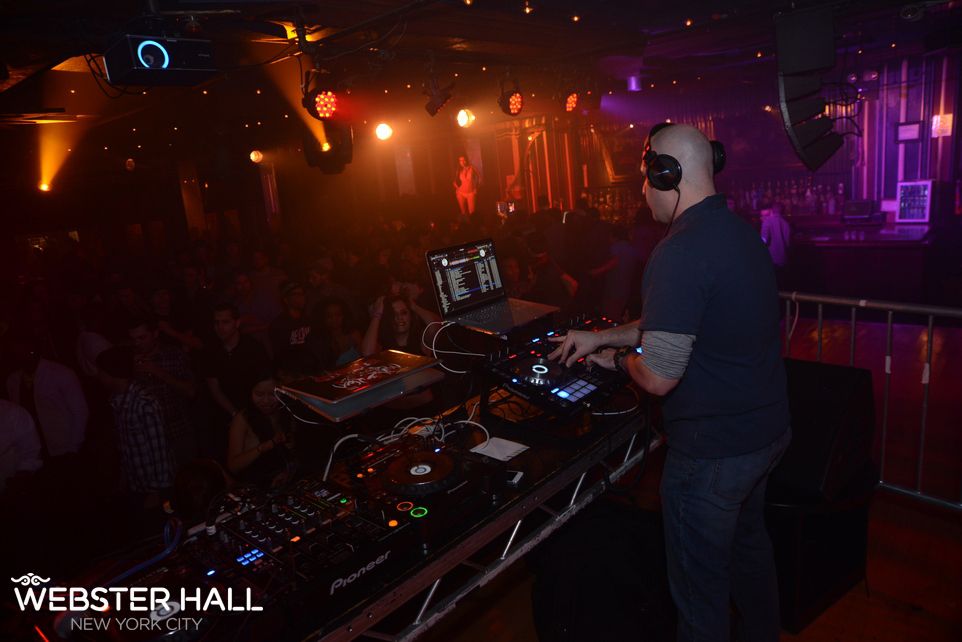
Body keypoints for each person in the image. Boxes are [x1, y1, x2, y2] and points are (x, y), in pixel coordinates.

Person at [548, 123, 790, 642]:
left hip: (713, 455)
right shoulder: (737, 232)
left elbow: (658, 377)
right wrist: (602, 337)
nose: (642, 190)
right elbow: (676, 320)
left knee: (700, 599)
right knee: (749, 555)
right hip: (765, 434)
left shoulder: (678, 251)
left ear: (666, 175)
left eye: (644, 177)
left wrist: (618, 361)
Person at [96, 346, 175, 506]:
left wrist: (156, 492)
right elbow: (126, 448)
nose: (98, 376)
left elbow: (159, 451)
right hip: (137, 485)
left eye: (100, 372)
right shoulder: (117, 400)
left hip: (155, 489)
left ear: (111, 373)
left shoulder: (144, 403)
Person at [128, 317, 197, 469]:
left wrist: (157, 371)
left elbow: (191, 391)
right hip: (146, 436)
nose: (137, 343)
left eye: (142, 338)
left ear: (155, 334)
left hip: (177, 431)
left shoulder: (174, 355)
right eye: (133, 339)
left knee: (187, 474)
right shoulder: (130, 359)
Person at [5, 333, 88, 459]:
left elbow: (80, 412)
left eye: (28, 351)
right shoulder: (12, 381)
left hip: (64, 447)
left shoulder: (61, 374)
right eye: (17, 353)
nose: (23, 356)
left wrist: (74, 445)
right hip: (32, 451)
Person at [202, 303, 271, 422]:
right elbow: (215, 389)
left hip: (255, 412)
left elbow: (265, 383)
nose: (220, 327)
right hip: (224, 415)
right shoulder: (211, 351)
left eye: (225, 322)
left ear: (237, 323)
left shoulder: (254, 348)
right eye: (216, 323)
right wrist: (236, 415)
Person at [225, 374, 294, 488]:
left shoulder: (286, 412)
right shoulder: (243, 418)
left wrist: (288, 472)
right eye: (259, 394)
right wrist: (262, 448)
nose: (266, 401)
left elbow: (294, 455)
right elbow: (233, 466)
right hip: (254, 486)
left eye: (272, 394)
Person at [270, 281, 313, 358]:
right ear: (286, 299)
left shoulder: (309, 320)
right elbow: (280, 353)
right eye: (296, 294)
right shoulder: (278, 324)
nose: (301, 297)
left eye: (302, 294)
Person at [760, 203, 791, 286]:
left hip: (771, 260)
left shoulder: (767, 222)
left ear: (771, 211)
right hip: (783, 259)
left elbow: (763, 242)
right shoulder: (786, 223)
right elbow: (788, 244)